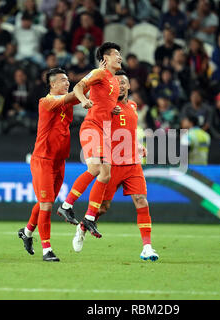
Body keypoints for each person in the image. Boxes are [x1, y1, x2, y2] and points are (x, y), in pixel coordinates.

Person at [71, 70, 159, 261]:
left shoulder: (134, 106)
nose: (119, 85)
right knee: (102, 208)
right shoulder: (107, 106)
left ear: (128, 86)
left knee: (141, 200)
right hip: (112, 162)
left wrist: (137, 146)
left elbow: (128, 131)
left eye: (123, 83)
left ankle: (147, 247)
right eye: (116, 82)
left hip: (132, 163)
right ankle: (82, 227)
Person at [56, 42, 122, 238]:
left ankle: (89, 218)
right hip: (92, 127)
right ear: (105, 59)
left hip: (106, 131)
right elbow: (78, 87)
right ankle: (66, 206)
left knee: (106, 174)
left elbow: (104, 102)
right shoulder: (99, 73)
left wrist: (113, 109)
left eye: (120, 54)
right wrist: (83, 100)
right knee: (95, 169)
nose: (119, 57)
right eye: (115, 54)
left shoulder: (115, 81)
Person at [17, 68, 83, 262]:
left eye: (68, 80)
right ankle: (47, 249)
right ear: (52, 84)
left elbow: (83, 93)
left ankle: (27, 232)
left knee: (46, 202)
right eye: (63, 80)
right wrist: (95, 74)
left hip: (59, 161)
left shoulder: (67, 101)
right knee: (46, 204)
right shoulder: (45, 102)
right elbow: (77, 93)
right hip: (43, 160)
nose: (67, 82)